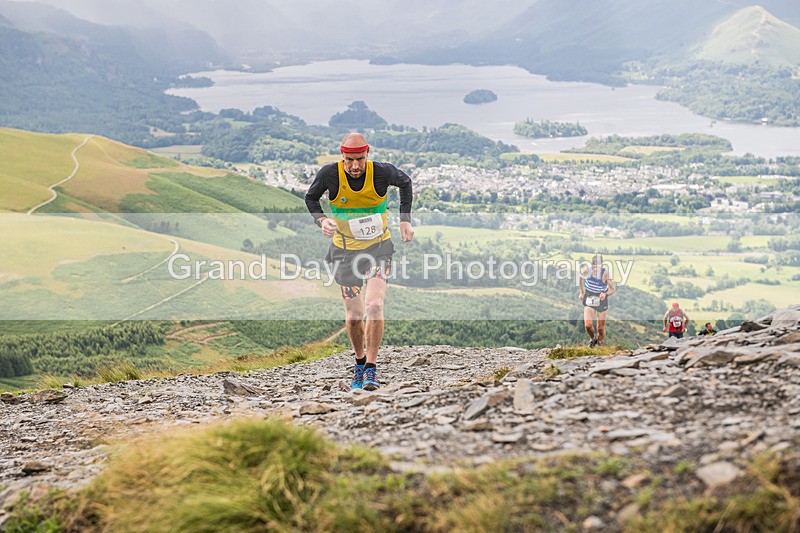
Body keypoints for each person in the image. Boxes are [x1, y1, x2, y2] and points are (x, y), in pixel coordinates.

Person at [305, 133, 414, 390]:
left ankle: (371, 370)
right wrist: (321, 220)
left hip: (379, 249)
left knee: (374, 305)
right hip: (344, 252)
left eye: (360, 159)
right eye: (349, 160)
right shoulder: (329, 174)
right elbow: (311, 198)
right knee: (354, 316)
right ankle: (359, 362)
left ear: (368, 155)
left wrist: (405, 219)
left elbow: (406, 183)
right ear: (342, 156)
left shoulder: (381, 173)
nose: (355, 166)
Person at [579, 253, 616, 347]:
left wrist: (605, 294)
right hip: (589, 296)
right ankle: (592, 339)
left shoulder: (605, 273)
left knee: (600, 328)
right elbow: (580, 278)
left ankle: (601, 344)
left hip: (601, 299)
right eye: (595, 265)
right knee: (588, 325)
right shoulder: (587, 270)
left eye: (599, 265)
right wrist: (581, 292)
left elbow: (613, 289)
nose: (597, 268)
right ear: (592, 265)